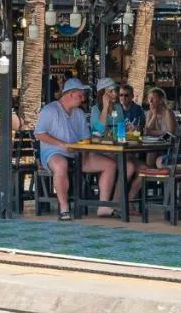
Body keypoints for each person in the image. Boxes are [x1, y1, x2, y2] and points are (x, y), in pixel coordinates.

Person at [35, 78, 132, 221]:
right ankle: (64, 208)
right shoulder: (50, 110)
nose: (83, 98)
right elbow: (39, 134)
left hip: (77, 153)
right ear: (70, 94)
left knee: (110, 165)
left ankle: (103, 206)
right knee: (60, 165)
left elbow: (86, 137)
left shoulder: (79, 113)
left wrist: (86, 150)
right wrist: (62, 144)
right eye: (80, 95)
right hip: (54, 151)